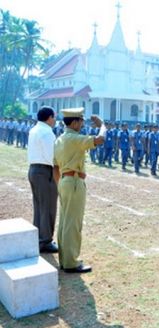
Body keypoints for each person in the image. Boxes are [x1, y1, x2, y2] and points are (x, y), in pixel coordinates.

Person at [53, 109, 104, 273]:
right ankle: (71, 262)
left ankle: (64, 260)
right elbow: (100, 140)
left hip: (64, 180)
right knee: (73, 223)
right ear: (74, 122)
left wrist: (60, 184)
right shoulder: (73, 138)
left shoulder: (60, 139)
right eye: (81, 121)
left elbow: (55, 167)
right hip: (74, 181)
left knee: (65, 221)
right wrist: (102, 125)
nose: (82, 124)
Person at [27, 106, 58, 253]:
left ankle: (39, 237)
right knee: (48, 206)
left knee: (39, 206)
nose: (55, 120)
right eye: (54, 117)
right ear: (49, 117)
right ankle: (45, 240)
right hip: (44, 171)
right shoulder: (47, 132)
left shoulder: (34, 129)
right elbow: (51, 156)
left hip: (34, 169)